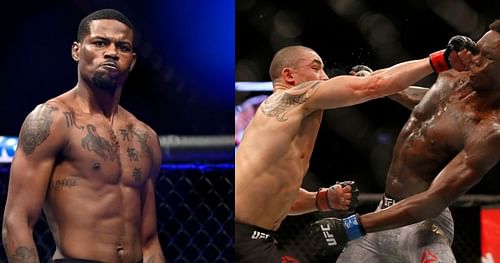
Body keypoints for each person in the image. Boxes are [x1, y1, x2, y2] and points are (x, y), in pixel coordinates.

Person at [235, 33, 473, 262]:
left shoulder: (283, 127)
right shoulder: (293, 96)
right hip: (244, 236)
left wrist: (322, 199)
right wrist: (441, 60)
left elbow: (275, 196)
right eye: (316, 68)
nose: (325, 78)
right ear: (289, 76)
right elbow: (374, 85)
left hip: (252, 237)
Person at [309, 21, 500, 262]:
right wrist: (386, 88)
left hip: (423, 226)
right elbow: (431, 104)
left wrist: (351, 226)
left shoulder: (490, 131)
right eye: (477, 49)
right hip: (383, 213)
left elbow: (433, 201)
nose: (474, 59)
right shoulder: (455, 77)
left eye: (488, 57)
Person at [2, 9, 165, 263]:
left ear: (132, 61)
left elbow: (149, 240)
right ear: (76, 50)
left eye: (122, 47)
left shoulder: (145, 137)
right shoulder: (51, 120)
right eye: (100, 43)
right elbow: (17, 222)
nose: (111, 52)